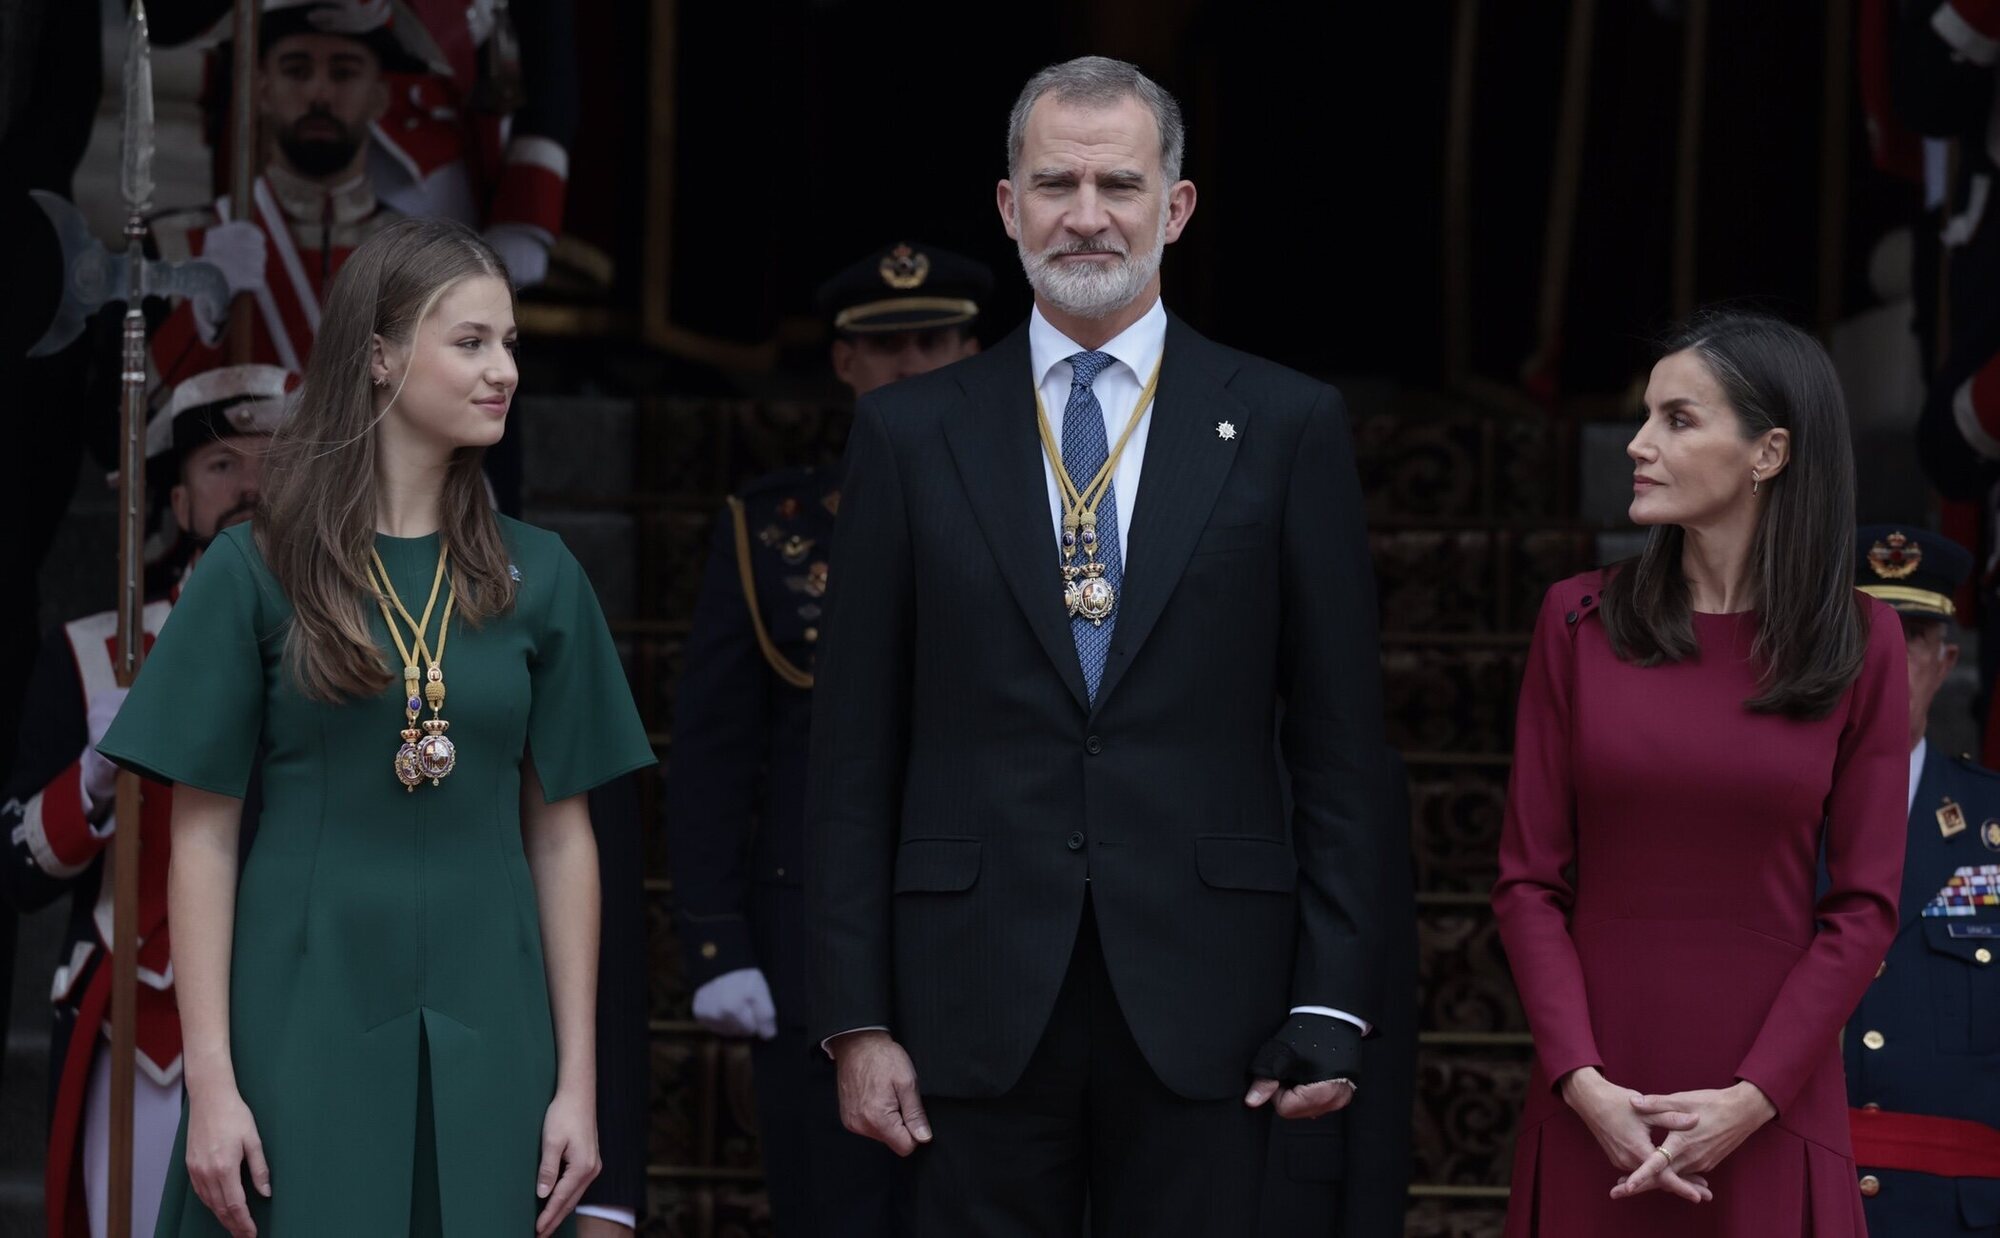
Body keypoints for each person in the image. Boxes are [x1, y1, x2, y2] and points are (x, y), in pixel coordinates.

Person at [807, 56, 1398, 1236]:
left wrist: (1334, 994)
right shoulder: (909, 430)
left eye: (1118, 183)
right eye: (1055, 183)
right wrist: (855, 1016)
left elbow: (1341, 744)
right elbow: (850, 749)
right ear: (1007, 206)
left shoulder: (1282, 422)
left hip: (1212, 994)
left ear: (1174, 207)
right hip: (966, 993)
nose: (1086, 215)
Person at [95, 216, 655, 1236]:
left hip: (498, 1014)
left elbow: (566, 837)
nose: (504, 371)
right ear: (381, 355)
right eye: (472, 341)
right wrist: (211, 1083)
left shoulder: (545, 576)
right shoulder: (254, 566)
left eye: (511, 343)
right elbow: (204, 834)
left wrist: (580, 1082)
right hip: (299, 1005)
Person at [1493, 310, 1908, 1236]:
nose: (1638, 444)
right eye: (1647, 417)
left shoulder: (1862, 641)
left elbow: (1865, 905)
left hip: (1770, 1100)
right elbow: (1527, 882)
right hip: (1594, 1097)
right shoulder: (1575, 622)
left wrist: (1756, 1096)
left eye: (1678, 420)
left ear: (1769, 452)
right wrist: (1582, 1081)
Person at [663, 240, 989, 1235]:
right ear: (844, 362)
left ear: (978, 352)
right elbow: (715, 752)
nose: (906, 367)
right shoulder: (775, 532)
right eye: (882, 347)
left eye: (932, 342)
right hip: (811, 948)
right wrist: (715, 939)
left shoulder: (1054, 521)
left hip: (993, 937)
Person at [1, 363, 288, 1238]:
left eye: (273, 460)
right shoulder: (95, 653)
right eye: (220, 466)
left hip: (298, 1013)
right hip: (135, 1029)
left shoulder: (357, 644)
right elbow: (18, 875)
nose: (249, 485)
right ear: (175, 501)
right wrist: (92, 775)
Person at [1840, 524, 2000, 1232]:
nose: (1883, 657)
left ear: (1946, 662)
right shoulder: (1768, 818)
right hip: (1805, 1200)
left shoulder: (1994, 824)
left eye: (1909, 640)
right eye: (1862, 632)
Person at [148, 0, 408, 389]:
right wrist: (199, 315)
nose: (319, 93)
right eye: (297, 70)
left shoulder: (420, 255)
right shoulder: (177, 244)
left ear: (379, 97)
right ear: (261, 90)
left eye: (343, 72)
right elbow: (120, 423)